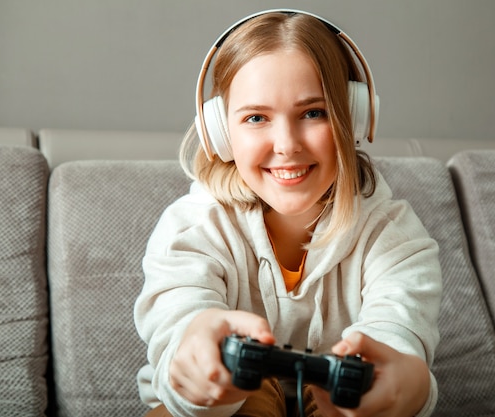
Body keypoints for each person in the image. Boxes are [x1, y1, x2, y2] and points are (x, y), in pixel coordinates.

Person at [134, 9, 442, 417]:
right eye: (256, 117)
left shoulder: (394, 235)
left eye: (313, 113)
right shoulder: (189, 229)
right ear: (221, 132)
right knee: (246, 399)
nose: (286, 144)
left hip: (339, 409)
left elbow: (398, 336)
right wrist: (196, 362)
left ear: (354, 118)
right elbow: (179, 327)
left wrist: (409, 385)